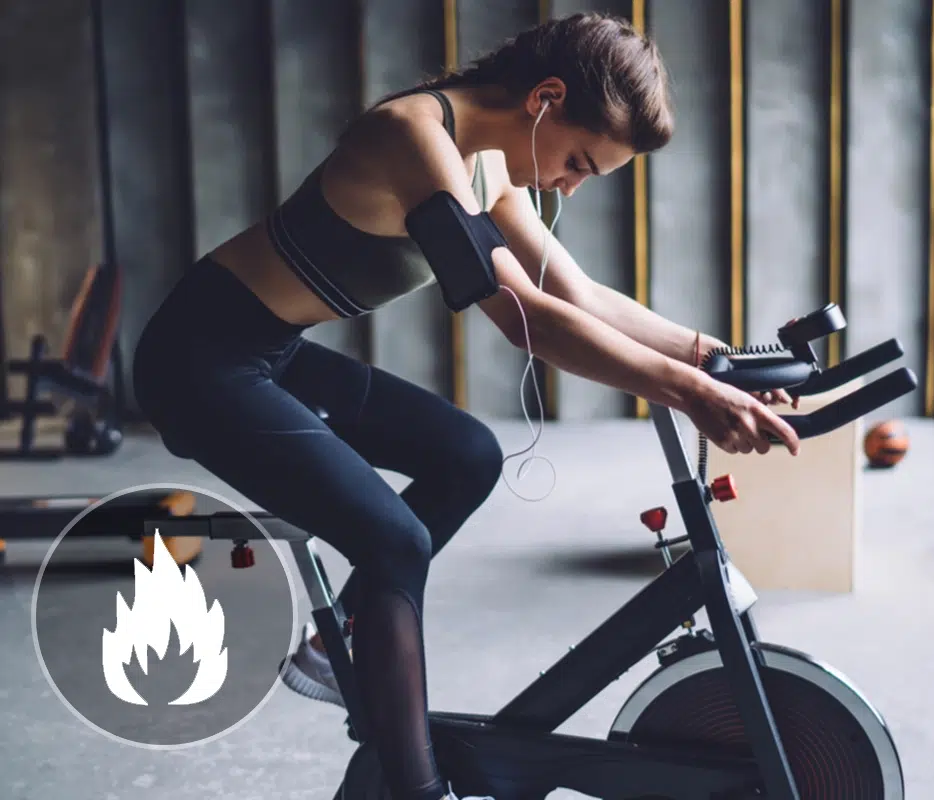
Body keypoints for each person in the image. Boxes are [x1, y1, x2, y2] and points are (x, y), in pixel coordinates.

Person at [131, 11, 801, 800]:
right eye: (580, 162)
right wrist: (691, 393)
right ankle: (412, 786)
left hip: (270, 352)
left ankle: (337, 639)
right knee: (394, 542)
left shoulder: (488, 165)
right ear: (545, 98)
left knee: (469, 455)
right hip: (199, 361)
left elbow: (574, 291)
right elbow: (523, 314)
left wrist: (716, 358)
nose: (570, 185)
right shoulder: (412, 137)